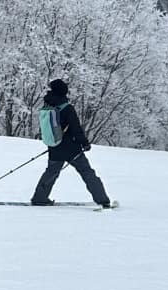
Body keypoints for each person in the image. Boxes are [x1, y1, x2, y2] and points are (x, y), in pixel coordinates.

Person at [30, 79, 112, 207]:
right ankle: (102, 200)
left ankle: (39, 198)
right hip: (72, 149)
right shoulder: (67, 108)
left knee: (51, 172)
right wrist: (85, 143)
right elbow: (76, 128)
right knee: (87, 172)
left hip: (54, 147)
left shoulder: (48, 106)